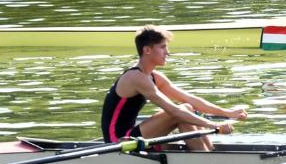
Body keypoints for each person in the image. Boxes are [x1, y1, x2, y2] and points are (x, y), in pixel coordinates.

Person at [101, 25, 248, 150]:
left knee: (188, 107)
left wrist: (227, 113)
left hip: (134, 136)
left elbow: (190, 99)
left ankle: (208, 153)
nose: (167, 52)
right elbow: (173, 111)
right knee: (180, 113)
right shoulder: (135, 77)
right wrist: (214, 125)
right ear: (147, 50)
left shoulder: (154, 77)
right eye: (163, 47)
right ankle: (204, 159)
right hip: (118, 142)